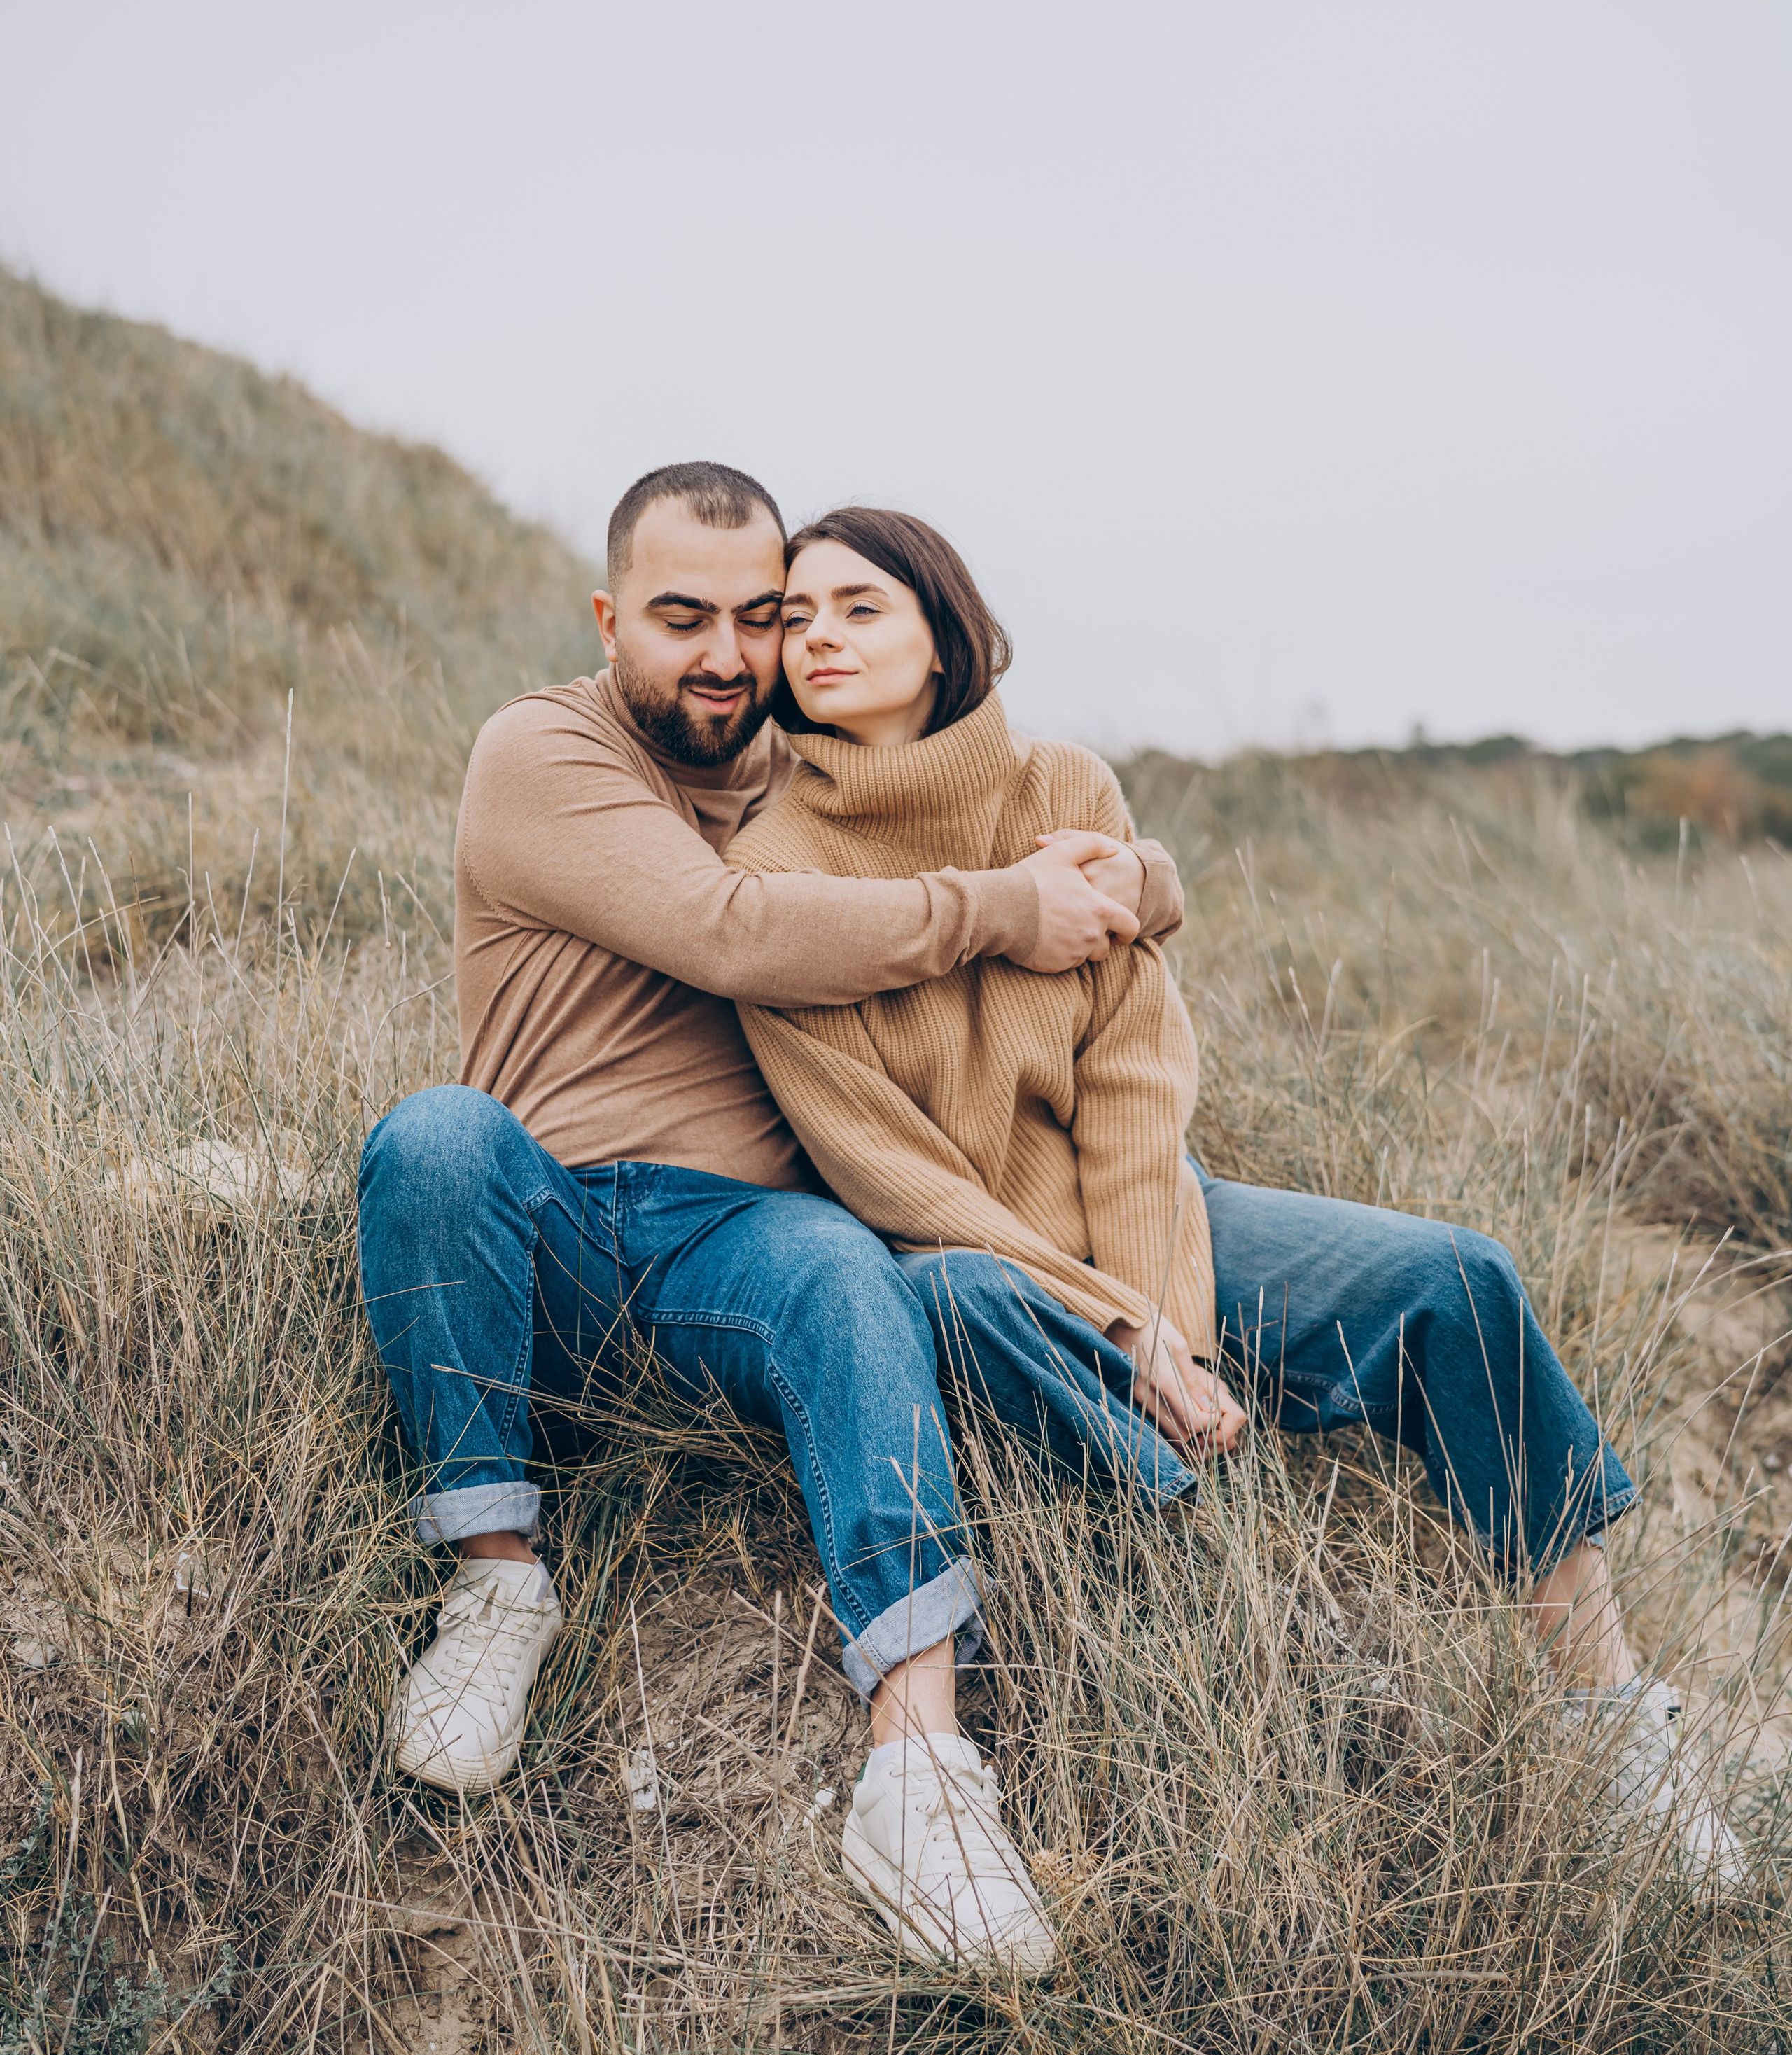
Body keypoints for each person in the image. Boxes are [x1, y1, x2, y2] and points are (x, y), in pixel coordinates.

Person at [720, 506, 1745, 1956]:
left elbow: (1136, 1088)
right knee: (959, 1296)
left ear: (942, 632)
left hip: (1154, 1220)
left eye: (857, 607)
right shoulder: (772, 866)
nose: (815, 635)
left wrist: (1162, 1311)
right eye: (795, 615)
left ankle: (1603, 1707)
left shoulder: (1060, 788)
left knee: (1454, 1278)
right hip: (964, 1261)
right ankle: (1198, 1554)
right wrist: (1114, 1323)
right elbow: (882, 1169)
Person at [358, 461, 1186, 1976]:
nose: (731, 656)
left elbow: (967, 810)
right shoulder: (542, 749)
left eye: (758, 618)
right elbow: (731, 931)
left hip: (731, 1252)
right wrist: (1000, 904)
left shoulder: (790, 768)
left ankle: (918, 1768)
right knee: (433, 1139)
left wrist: (1137, 871)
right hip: (540, 1230)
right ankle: (494, 1590)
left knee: (834, 1258)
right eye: (683, 620)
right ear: (610, 619)